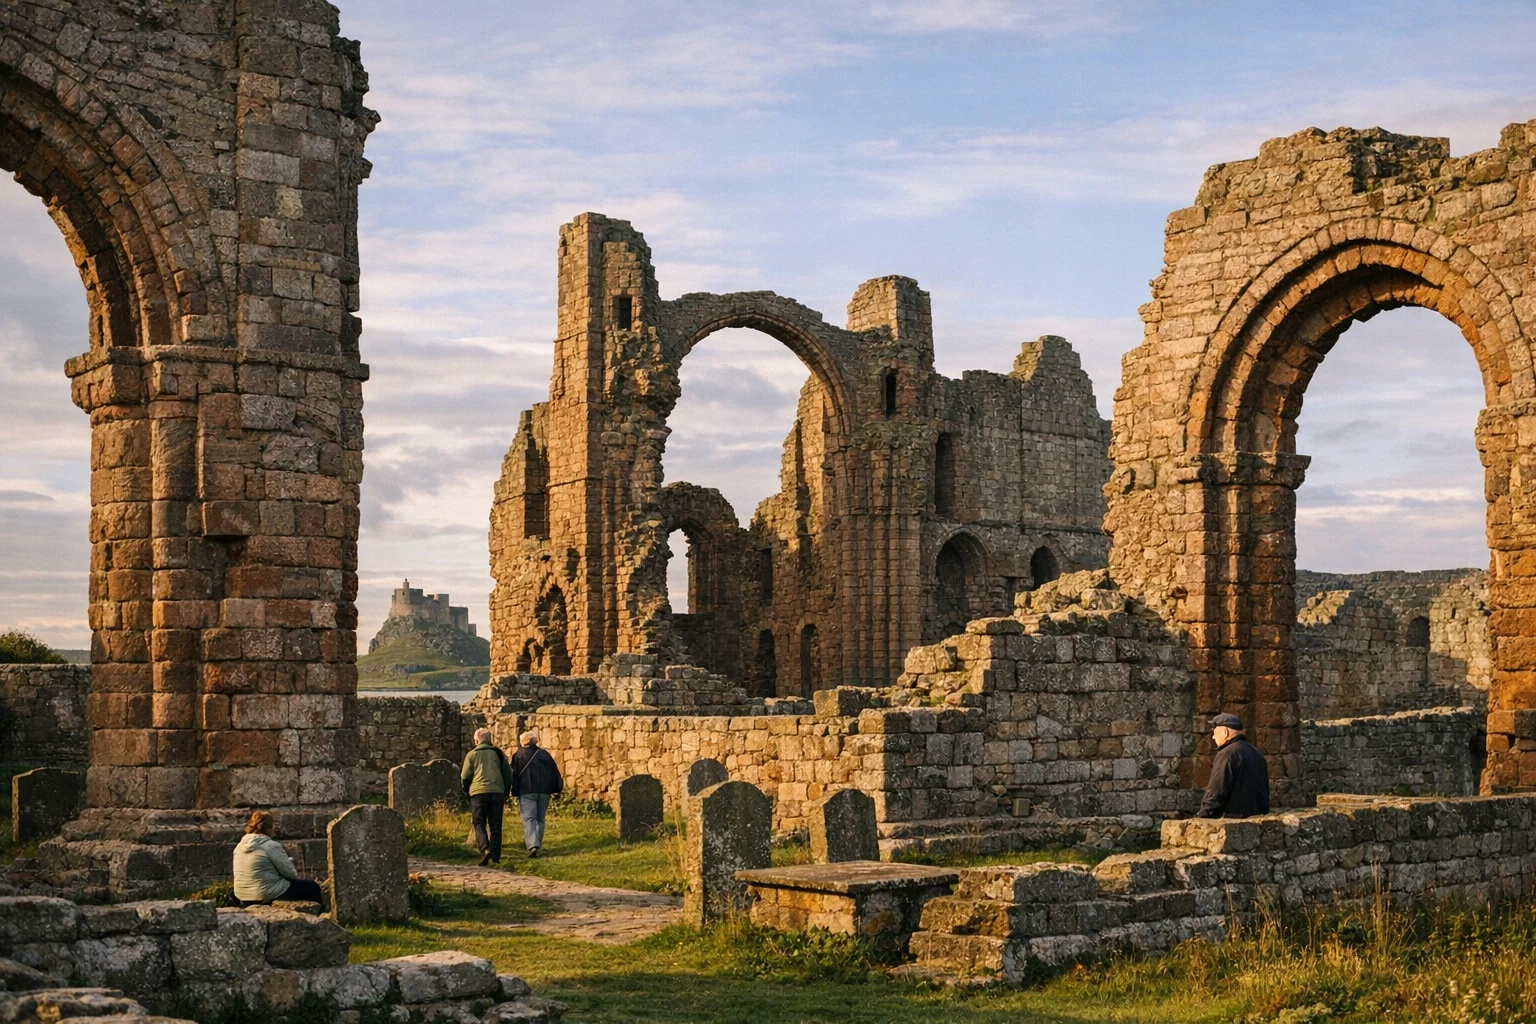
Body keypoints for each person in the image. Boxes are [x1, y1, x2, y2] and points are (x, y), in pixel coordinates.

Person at [232, 810, 325, 906]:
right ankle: (319, 916)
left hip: (243, 896)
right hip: (264, 893)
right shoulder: (271, 846)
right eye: (273, 827)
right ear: (268, 829)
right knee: (313, 887)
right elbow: (291, 873)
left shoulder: (238, 847)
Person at [1197, 712, 1270, 818]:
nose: (1213, 737)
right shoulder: (1256, 752)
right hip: (1258, 819)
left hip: (1234, 820)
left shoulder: (1228, 753)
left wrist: (1204, 814)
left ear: (1225, 732)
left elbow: (1217, 790)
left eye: (1214, 732)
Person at [461, 727, 515, 866]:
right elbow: (508, 774)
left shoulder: (472, 755)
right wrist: (506, 791)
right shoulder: (498, 754)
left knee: (479, 823)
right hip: (497, 792)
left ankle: (485, 849)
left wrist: (467, 791)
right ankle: (496, 857)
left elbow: (465, 776)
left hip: (478, 793)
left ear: (477, 740)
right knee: (496, 825)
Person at [510, 730, 563, 857]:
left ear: (523, 742)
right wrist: (557, 789)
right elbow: (555, 773)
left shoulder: (518, 755)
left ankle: (533, 845)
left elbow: (513, 774)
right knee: (540, 818)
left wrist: (513, 789)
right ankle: (537, 843)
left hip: (526, 790)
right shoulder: (544, 754)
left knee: (529, 818)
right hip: (544, 791)